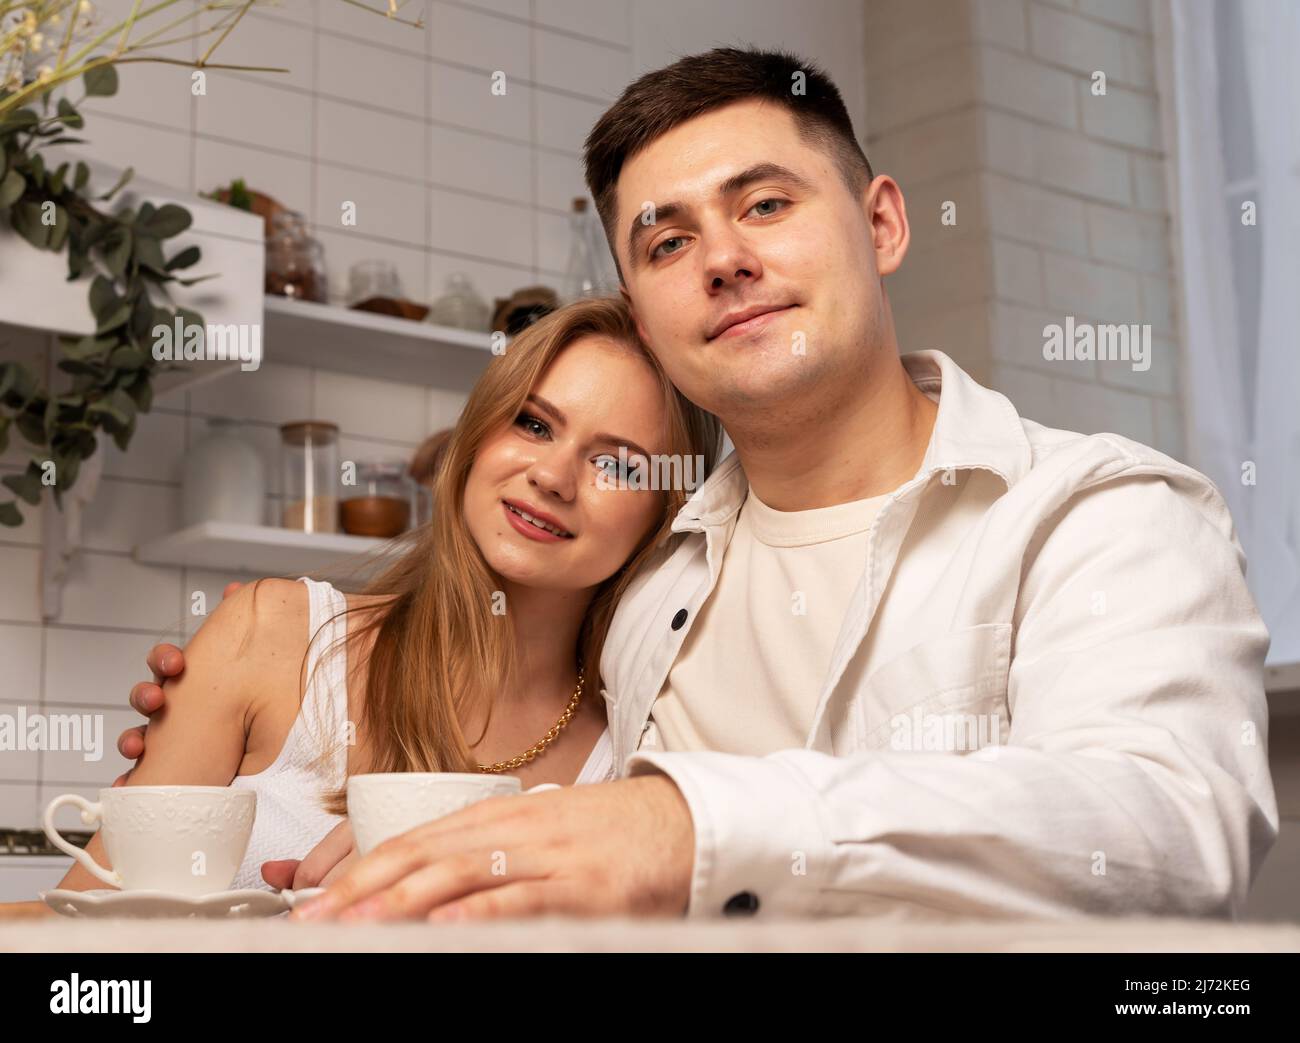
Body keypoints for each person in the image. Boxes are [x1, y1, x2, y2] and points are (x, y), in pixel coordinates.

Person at [114, 47, 1277, 923]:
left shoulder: (1097, 515)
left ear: (879, 225)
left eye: (765, 204)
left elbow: (1169, 826)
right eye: (665, 242)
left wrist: (688, 825)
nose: (722, 257)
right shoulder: (646, 580)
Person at [3, 295, 720, 916]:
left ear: (667, 513)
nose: (554, 476)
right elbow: (84, 937)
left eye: (618, 463)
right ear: (476, 437)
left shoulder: (636, 757)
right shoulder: (271, 633)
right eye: (534, 423)